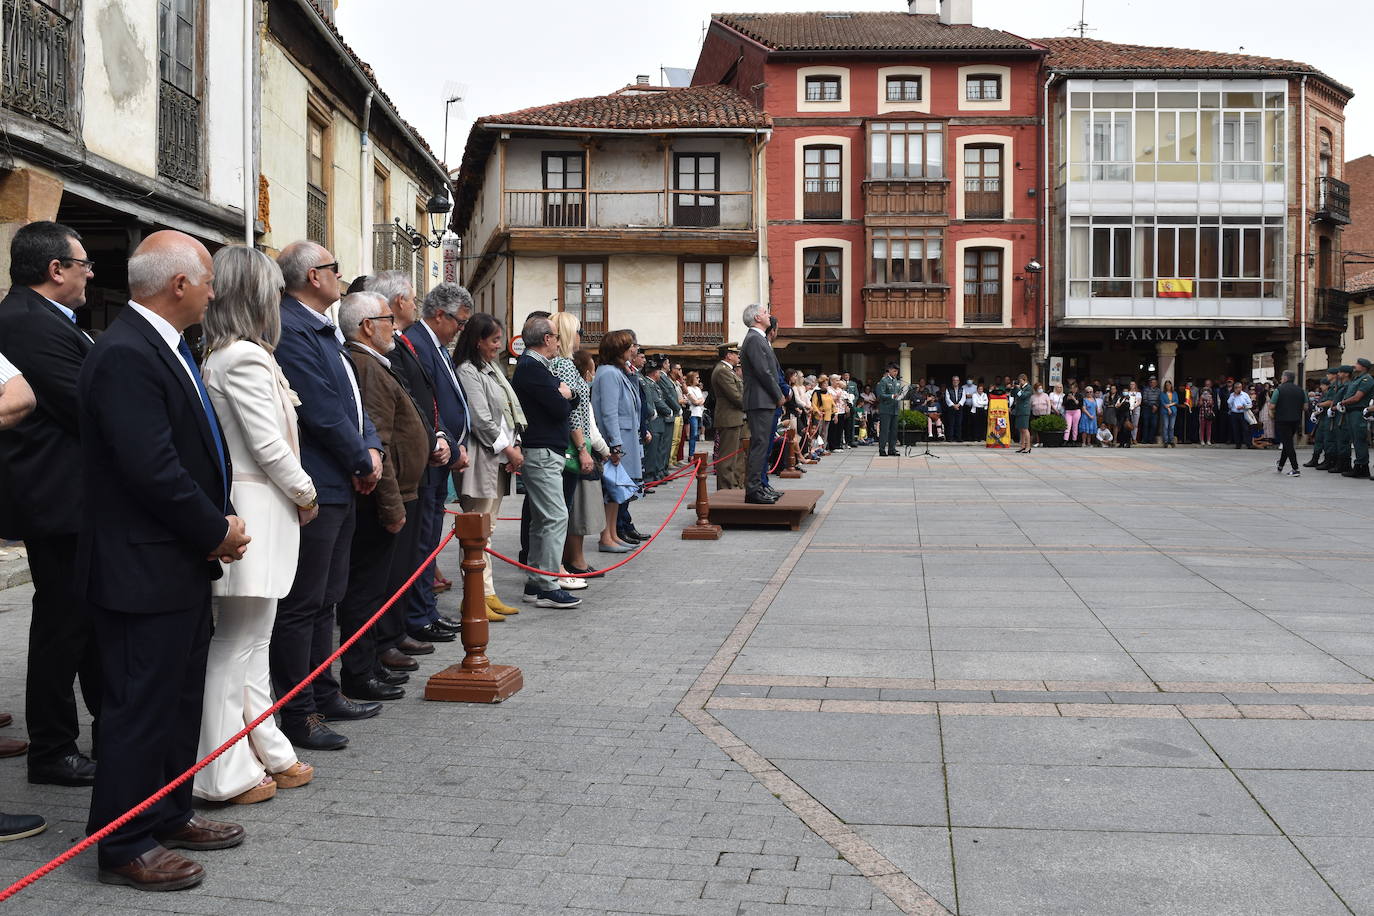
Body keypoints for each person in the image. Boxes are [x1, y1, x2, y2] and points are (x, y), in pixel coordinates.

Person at [79, 231, 251, 891]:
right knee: (138, 705)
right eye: (208, 281)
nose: (213, 293)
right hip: (139, 568)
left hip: (172, 562)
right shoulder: (127, 352)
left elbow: (191, 449)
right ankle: (123, 843)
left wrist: (217, 519)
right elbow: (151, 468)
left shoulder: (164, 345)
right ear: (180, 284)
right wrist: (215, 529)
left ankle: (169, 810)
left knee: (176, 699)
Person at [193, 246, 317, 808]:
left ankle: (266, 745)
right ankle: (219, 771)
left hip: (264, 504)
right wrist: (306, 492)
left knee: (253, 642)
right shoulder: (239, 356)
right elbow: (268, 445)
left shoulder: (241, 353)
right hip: (255, 504)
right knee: (236, 643)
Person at [270, 241, 384, 753]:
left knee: (328, 597)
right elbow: (319, 408)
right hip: (321, 479)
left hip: (342, 477)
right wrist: (361, 458)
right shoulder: (293, 329)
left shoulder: (322, 327)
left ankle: (324, 689)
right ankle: (299, 711)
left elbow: (353, 402)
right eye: (336, 269)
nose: (343, 277)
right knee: (305, 601)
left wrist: (371, 448)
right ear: (314, 277)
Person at [0, 221, 102, 788]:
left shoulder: (48, 319)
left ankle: (94, 731)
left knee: (80, 623)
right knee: (62, 627)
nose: (91, 273)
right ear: (54, 269)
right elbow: (84, 402)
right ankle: (53, 749)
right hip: (58, 500)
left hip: (72, 498)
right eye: (83, 263)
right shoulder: (24, 321)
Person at [338, 291, 435, 702]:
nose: (394, 326)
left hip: (402, 493)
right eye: (386, 319)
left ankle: (372, 661)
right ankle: (361, 670)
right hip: (385, 500)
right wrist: (392, 505)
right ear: (367, 326)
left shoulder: (375, 363)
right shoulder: (366, 366)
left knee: (382, 585)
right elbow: (380, 444)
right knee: (368, 588)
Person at [364, 272, 456, 648]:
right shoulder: (390, 351)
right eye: (412, 299)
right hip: (400, 472)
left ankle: (404, 624)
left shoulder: (403, 344)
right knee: (399, 557)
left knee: (412, 554)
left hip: (420, 464)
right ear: (397, 303)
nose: (415, 305)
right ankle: (393, 633)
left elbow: (424, 400)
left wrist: (441, 436)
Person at [402, 283, 472, 641]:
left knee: (429, 539)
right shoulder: (416, 342)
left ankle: (425, 609)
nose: (461, 330)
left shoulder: (437, 346)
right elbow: (423, 402)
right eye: (459, 322)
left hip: (442, 456)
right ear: (440, 314)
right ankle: (417, 614)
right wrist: (443, 439)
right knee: (421, 542)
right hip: (429, 457)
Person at [453, 312, 525, 614]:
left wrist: (514, 444)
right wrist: (509, 450)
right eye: (495, 339)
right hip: (483, 455)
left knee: (488, 527)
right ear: (479, 340)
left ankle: (487, 591)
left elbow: (507, 411)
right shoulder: (468, 370)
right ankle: (475, 596)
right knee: (477, 527)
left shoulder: (490, 368)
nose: (499, 345)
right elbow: (481, 418)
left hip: (497, 456)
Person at [511, 316, 581, 608]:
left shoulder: (539, 367)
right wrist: (564, 394)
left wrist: (567, 394)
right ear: (547, 339)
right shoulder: (532, 368)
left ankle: (536, 581)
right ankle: (549, 585)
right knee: (555, 516)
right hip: (540, 451)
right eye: (555, 336)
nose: (558, 340)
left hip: (545, 450)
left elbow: (569, 399)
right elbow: (559, 408)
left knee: (543, 520)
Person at [549, 311, 594, 587]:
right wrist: (582, 449)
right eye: (578, 331)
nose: (580, 338)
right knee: (562, 508)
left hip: (569, 442)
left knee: (561, 508)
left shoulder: (560, 363)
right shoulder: (564, 365)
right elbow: (572, 414)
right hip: (570, 445)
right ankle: (559, 568)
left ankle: (560, 565)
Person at [591, 330, 643, 550]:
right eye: (627, 347)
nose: (632, 351)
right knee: (611, 490)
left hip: (623, 438)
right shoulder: (609, 373)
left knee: (616, 492)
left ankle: (612, 534)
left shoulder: (616, 372)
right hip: (616, 440)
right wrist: (615, 444)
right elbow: (609, 412)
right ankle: (606, 537)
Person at [739, 303, 784, 504]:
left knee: (763, 444)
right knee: (759, 445)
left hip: (762, 399)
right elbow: (763, 372)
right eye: (765, 313)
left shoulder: (759, 339)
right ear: (757, 317)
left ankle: (759, 486)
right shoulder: (754, 339)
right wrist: (778, 395)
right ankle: (753, 490)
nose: (769, 315)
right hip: (760, 399)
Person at [709, 343, 745, 489]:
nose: (738, 357)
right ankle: (724, 490)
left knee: (734, 458)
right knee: (727, 458)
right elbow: (735, 396)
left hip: (734, 418)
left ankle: (732, 487)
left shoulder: (727, 371)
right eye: (736, 354)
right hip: (729, 418)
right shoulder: (722, 371)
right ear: (728, 355)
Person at [1339, 358, 1373, 479]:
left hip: (1358, 412)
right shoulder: (1357, 379)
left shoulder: (1366, 379)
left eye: (1358, 364)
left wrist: (1343, 402)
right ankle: (1359, 466)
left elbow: (1357, 397)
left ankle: (1362, 467)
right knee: (1355, 440)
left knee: (1359, 440)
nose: (1355, 365)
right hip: (1351, 412)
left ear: (1364, 367)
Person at [1273, 369, 1306, 476]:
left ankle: (1295, 468)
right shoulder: (1301, 390)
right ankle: (1281, 465)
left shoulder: (1279, 390)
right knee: (1287, 442)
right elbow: (1305, 407)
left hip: (1282, 420)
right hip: (1296, 420)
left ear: (1285, 378)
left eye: (1282, 377)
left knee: (1288, 444)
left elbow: (1272, 405)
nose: (1281, 379)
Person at [1305, 368, 1339, 467]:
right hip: (1322, 418)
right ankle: (1315, 458)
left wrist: (1319, 405)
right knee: (1318, 439)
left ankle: (1328, 460)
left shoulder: (1331, 391)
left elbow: (1330, 402)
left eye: (1322, 385)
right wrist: (1315, 412)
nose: (1320, 386)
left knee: (1328, 440)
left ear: (1326, 385)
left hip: (1328, 419)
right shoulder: (1324, 393)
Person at [875, 363, 903, 456]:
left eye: (897, 371)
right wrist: (892, 396)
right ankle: (882, 449)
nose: (896, 373)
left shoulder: (897, 381)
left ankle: (892, 449)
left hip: (895, 408)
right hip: (886, 409)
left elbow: (898, 393)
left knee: (894, 431)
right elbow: (880, 395)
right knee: (885, 430)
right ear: (889, 370)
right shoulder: (884, 381)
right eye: (894, 371)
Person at [683, 371, 705, 459]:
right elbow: (694, 401)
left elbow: (702, 399)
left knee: (697, 434)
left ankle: (693, 452)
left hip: (700, 413)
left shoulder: (698, 389)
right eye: (696, 378)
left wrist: (698, 401)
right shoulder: (688, 388)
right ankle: (691, 454)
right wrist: (698, 401)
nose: (698, 379)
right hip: (693, 413)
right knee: (693, 434)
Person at [1227, 381, 1254, 449]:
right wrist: (1234, 396)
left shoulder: (1245, 395)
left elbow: (1250, 404)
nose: (1238, 389)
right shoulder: (1232, 395)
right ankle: (1238, 444)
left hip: (1243, 413)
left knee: (1246, 429)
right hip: (1234, 414)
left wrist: (1243, 407)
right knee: (1236, 429)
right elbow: (1228, 403)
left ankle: (1248, 444)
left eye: (1240, 387)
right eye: (1237, 388)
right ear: (1234, 388)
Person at [1011, 374, 1033, 454]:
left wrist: (1018, 389)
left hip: (1024, 410)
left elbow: (1023, 396)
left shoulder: (1029, 388)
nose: (1019, 383)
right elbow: (1013, 395)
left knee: (1025, 428)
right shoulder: (1020, 388)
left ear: (1025, 380)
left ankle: (1028, 446)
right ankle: (1022, 445)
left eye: (1020, 381)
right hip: (1018, 410)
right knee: (1020, 428)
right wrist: (1014, 388)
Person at [1139, 377, 1160, 444]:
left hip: (1155, 409)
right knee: (1146, 424)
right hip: (1147, 409)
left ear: (1156, 383)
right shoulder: (1146, 389)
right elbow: (1144, 400)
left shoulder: (1158, 390)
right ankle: (1144, 439)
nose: (1153, 384)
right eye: (1152, 382)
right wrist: (1152, 406)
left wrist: (1156, 406)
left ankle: (1151, 439)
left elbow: (1159, 399)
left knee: (1154, 425)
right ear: (1150, 383)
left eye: (1154, 383)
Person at [1160, 380, 1179, 447]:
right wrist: (1168, 408)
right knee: (1165, 426)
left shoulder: (1174, 393)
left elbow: (1176, 401)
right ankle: (1165, 441)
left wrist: (1170, 405)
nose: (1168, 386)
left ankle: (1171, 440)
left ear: (1171, 385)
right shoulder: (1162, 393)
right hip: (1165, 411)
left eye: (1169, 385)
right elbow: (1162, 402)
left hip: (1173, 411)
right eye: (1166, 385)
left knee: (1171, 426)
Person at [1198, 381, 1216, 446]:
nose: (1206, 392)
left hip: (1209, 414)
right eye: (1204, 390)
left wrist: (1209, 399)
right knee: (1202, 428)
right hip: (1202, 414)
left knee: (1209, 428)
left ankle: (1208, 440)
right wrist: (1202, 399)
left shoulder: (1210, 397)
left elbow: (1211, 405)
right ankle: (1202, 440)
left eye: (1207, 390)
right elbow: (1199, 405)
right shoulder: (1201, 396)